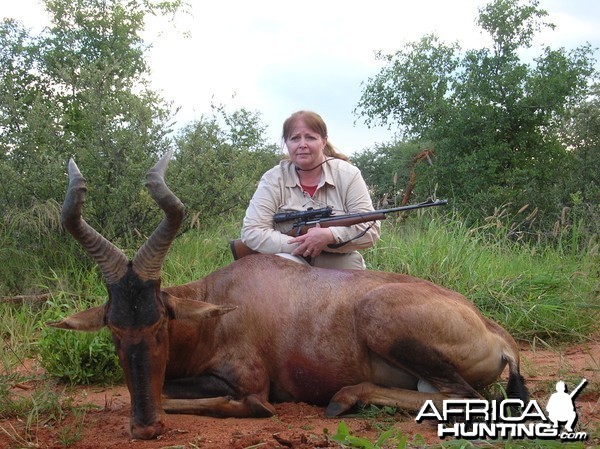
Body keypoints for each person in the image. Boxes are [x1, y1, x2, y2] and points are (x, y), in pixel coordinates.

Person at [241, 111, 380, 270]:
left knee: (352, 270)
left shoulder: (349, 175)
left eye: (310, 137)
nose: (302, 145)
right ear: (286, 142)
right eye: (294, 138)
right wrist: (301, 244)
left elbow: (371, 230)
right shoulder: (273, 178)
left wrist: (330, 236)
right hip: (290, 255)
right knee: (281, 266)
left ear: (324, 141)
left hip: (336, 257)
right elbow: (252, 231)